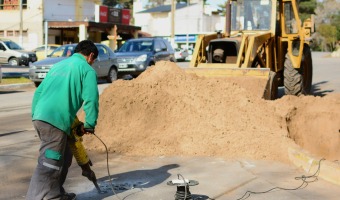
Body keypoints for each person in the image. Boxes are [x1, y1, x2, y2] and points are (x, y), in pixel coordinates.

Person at [26, 40, 99, 200]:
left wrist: (36, 115)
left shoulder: (58, 66)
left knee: (64, 157)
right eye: (93, 61)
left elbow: (38, 93)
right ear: (91, 56)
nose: (92, 64)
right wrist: (89, 125)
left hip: (40, 117)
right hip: (55, 122)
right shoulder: (86, 70)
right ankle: (37, 197)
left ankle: (56, 192)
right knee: (49, 162)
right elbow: (91, 99)